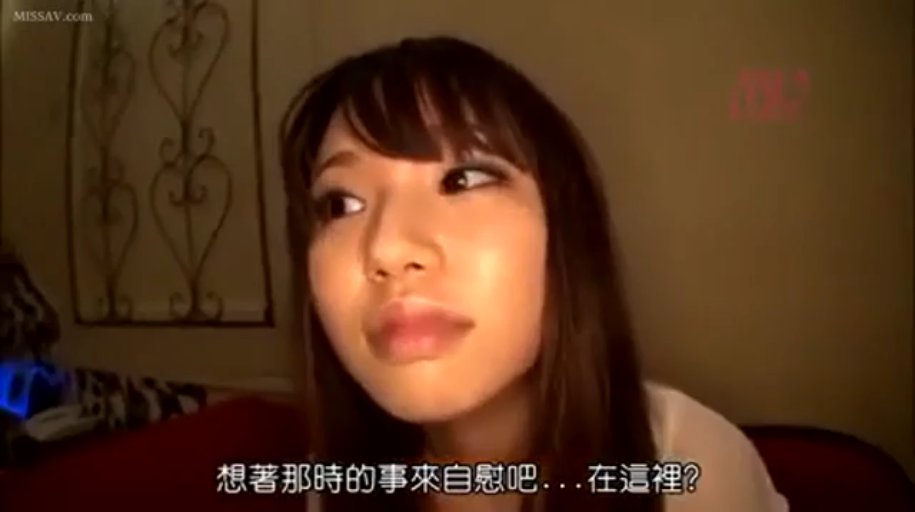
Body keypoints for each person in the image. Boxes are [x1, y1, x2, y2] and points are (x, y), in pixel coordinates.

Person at [280, 36, 788, 512]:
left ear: (563, 229)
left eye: (464, 179)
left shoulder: (688, 466)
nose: (388, 249)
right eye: (341, 204)